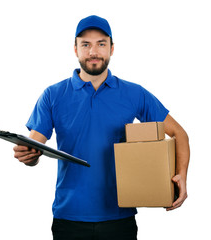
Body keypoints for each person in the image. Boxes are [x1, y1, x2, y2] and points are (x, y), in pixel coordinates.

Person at [13, 15, 190, 240]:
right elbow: (35, 144)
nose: (93, 52)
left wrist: (181, 176)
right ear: (75, 49)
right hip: (69, 218)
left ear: (112, 49)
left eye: (101, 44)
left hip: (120, 216)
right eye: (85, 44)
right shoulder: (53, 95)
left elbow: (179, 134)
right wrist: (30, 156)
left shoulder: (134, 94)